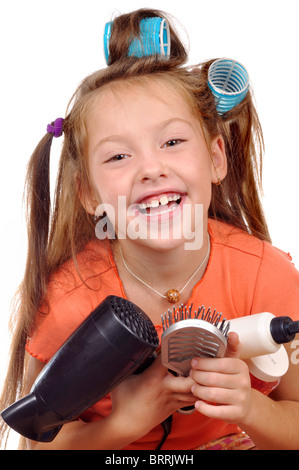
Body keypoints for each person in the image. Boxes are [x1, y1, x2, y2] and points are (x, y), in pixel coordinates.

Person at [1, 8, 299, 450]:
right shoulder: (67, 301)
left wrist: (253, 410)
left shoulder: (264, 275)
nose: (151, 169)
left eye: (173, 142)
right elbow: (37, 444)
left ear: (216, 158)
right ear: (87, 193)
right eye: (118, 156)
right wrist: (125, 420)